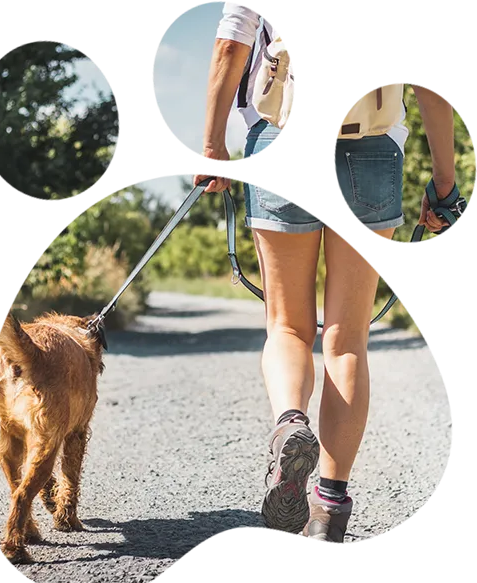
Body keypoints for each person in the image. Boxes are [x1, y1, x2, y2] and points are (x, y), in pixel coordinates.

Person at [194, 1, 458, 543]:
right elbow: (431, 90)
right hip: (372, 152)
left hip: (280, 142)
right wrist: (446, 186)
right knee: (346, 341)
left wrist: (213, 147)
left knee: (287, 326)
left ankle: (291, 424)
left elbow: (229, 46)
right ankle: (329, 509)